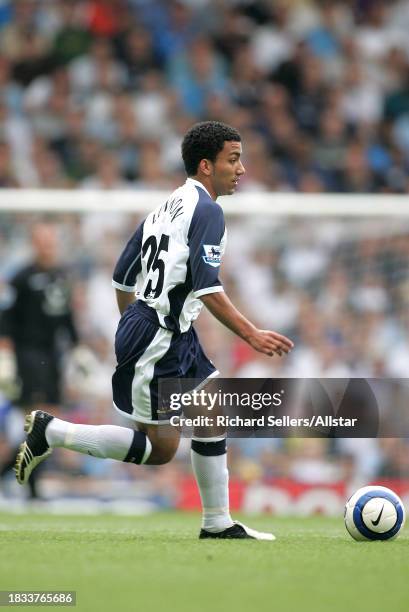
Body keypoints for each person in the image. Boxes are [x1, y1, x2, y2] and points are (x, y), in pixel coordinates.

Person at [15, 121, 294, 538]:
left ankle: (218, 522)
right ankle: (52, 431)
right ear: (205, 166)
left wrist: (134, 323)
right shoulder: (207, 211)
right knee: (161, 449)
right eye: (233, 159)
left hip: (164, 331)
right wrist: (250, 333)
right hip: (160, 334)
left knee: (209, 412)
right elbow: (208, 286)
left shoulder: (165, 207)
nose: (242, 169)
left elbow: (122, 276)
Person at [0, 221, 78, 498]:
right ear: (34, 244)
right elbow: (6, 319)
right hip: (27, 354)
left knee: (49, 420)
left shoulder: (61, 276)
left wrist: (78, 348)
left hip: (52, 354)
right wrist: (6, 355)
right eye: (42, 241)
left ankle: (12, 471)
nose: (47, 246)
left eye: (50, 241)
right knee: (39, 419)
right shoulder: (20, 277)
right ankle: (32, 487)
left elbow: (67, 316)